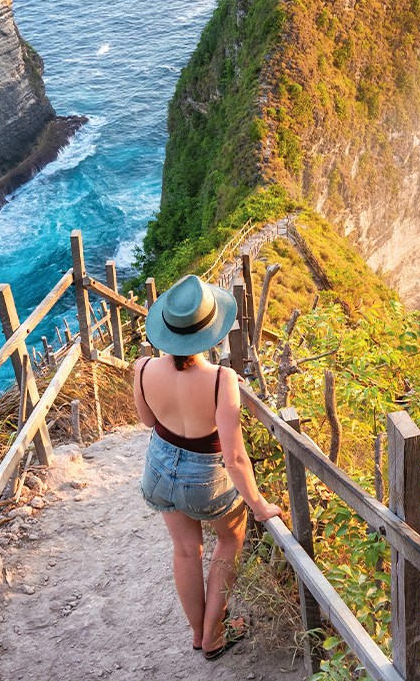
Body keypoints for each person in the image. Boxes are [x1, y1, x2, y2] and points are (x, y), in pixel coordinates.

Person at [133, 274, 283, 660]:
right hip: (205, 477)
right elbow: (233, 458)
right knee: (230, 541)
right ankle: (214, 635)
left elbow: (148, 422)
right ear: (208, 332)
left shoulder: (143, 368)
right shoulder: (221, 379)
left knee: (185, 550)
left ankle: (199, 634)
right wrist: (259, 504)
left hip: (159, 469)